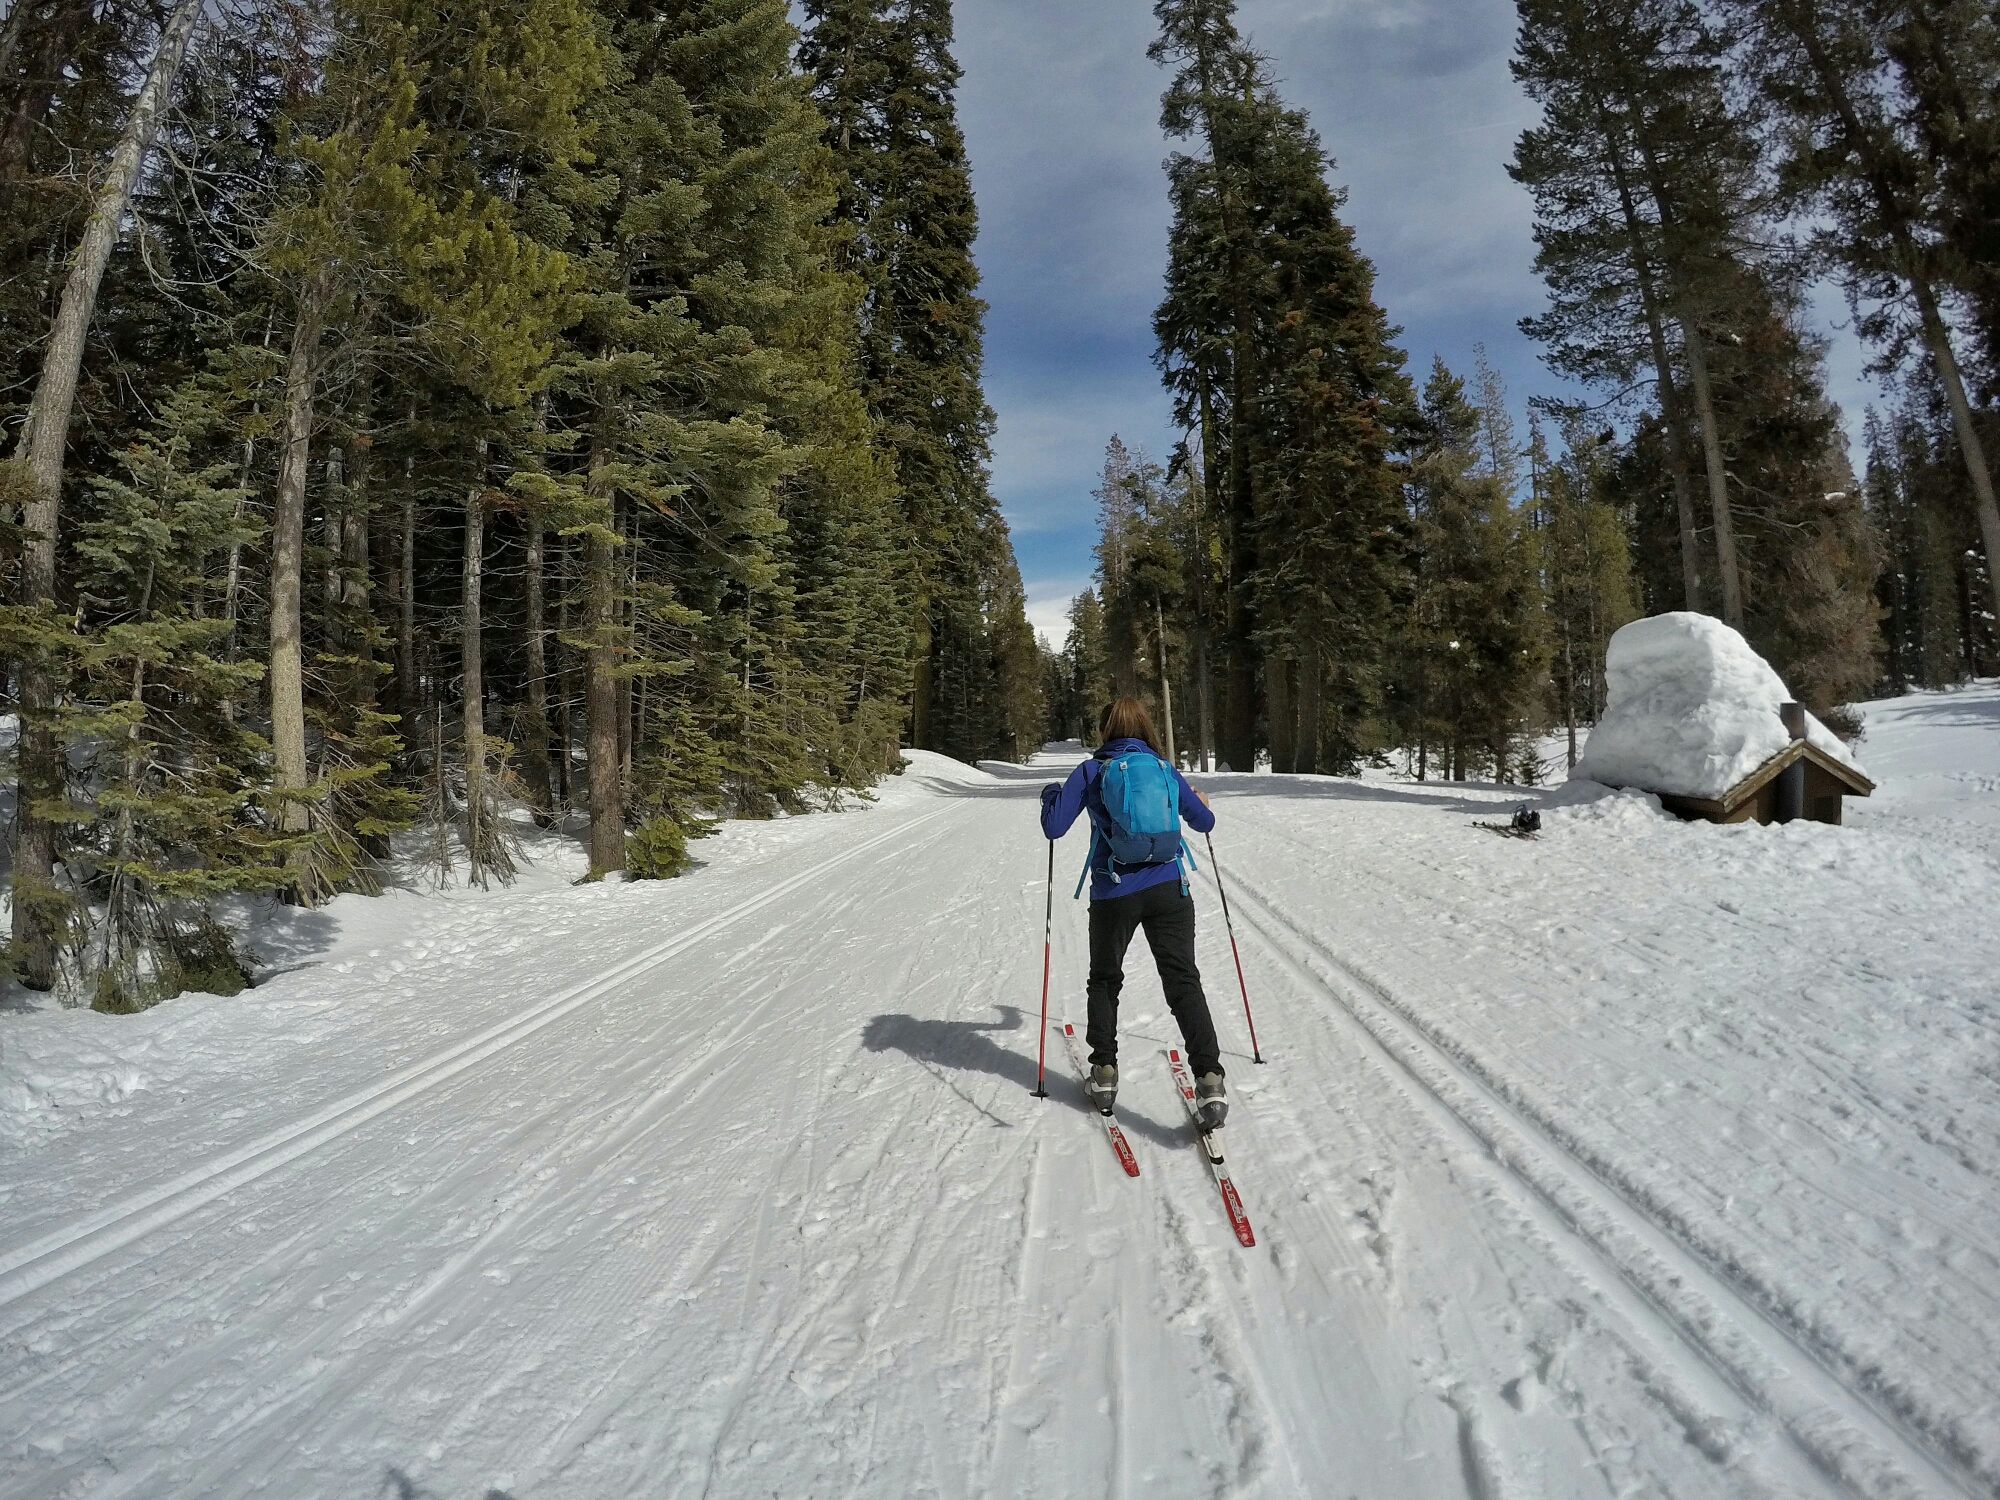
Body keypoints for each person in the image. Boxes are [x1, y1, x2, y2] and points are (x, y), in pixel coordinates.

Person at [1039, 697, 1227, 1126]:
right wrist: (1201, 801)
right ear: (1145, 727)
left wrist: (1051, 794)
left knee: (1105, 980)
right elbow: (1204, 823)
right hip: (1169, 889)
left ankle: (1103, 1073)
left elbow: (1054, 826)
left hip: (1114, 893)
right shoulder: (1163, 769)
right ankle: (1211, 1080)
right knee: (1183, 981)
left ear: (1105, 729)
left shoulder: (1092, 771)